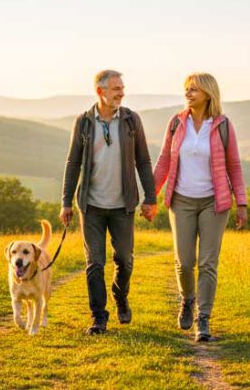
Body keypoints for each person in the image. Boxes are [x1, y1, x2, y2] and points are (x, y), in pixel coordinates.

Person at [152, 72, 247, 341]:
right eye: (187, 89)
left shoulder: (222, 125)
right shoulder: (176, 123)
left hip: (213, 203)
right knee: (184, 262)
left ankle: (203, 318)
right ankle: (187, 300)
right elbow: (163, 162)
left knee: (207, 263)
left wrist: (241, 202)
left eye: (194, 89)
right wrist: (150, 197)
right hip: (180, 200)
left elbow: (234, 166)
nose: (188, 93)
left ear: (208, 93)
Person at [61, 69, 157, 335]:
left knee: (125, 260)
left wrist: (150, 197)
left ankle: (120, 295)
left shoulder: (130, 120)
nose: (121, 93)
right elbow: (73, 163)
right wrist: (66, 201)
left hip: (122, 205)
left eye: (122, 88)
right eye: (116, 88)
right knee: (95, 262)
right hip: (90, 205)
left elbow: (144, 161)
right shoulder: (83, 122)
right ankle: (98, 317)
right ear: (100, 91)